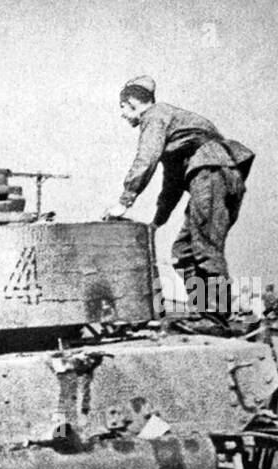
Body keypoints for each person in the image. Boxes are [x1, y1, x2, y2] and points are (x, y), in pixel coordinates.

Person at [103, 76, 255, 330]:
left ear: (131, 103)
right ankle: (206, 313)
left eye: (122, 108)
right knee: (184, 251)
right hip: (217, 174)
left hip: (211, 173)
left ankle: (216, 318)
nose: (121, 114)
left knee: (204, 247)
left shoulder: (154, 116)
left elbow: (146, 159)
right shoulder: (175, 128)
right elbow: (172, 183)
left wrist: (124, 201)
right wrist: (157, 222)